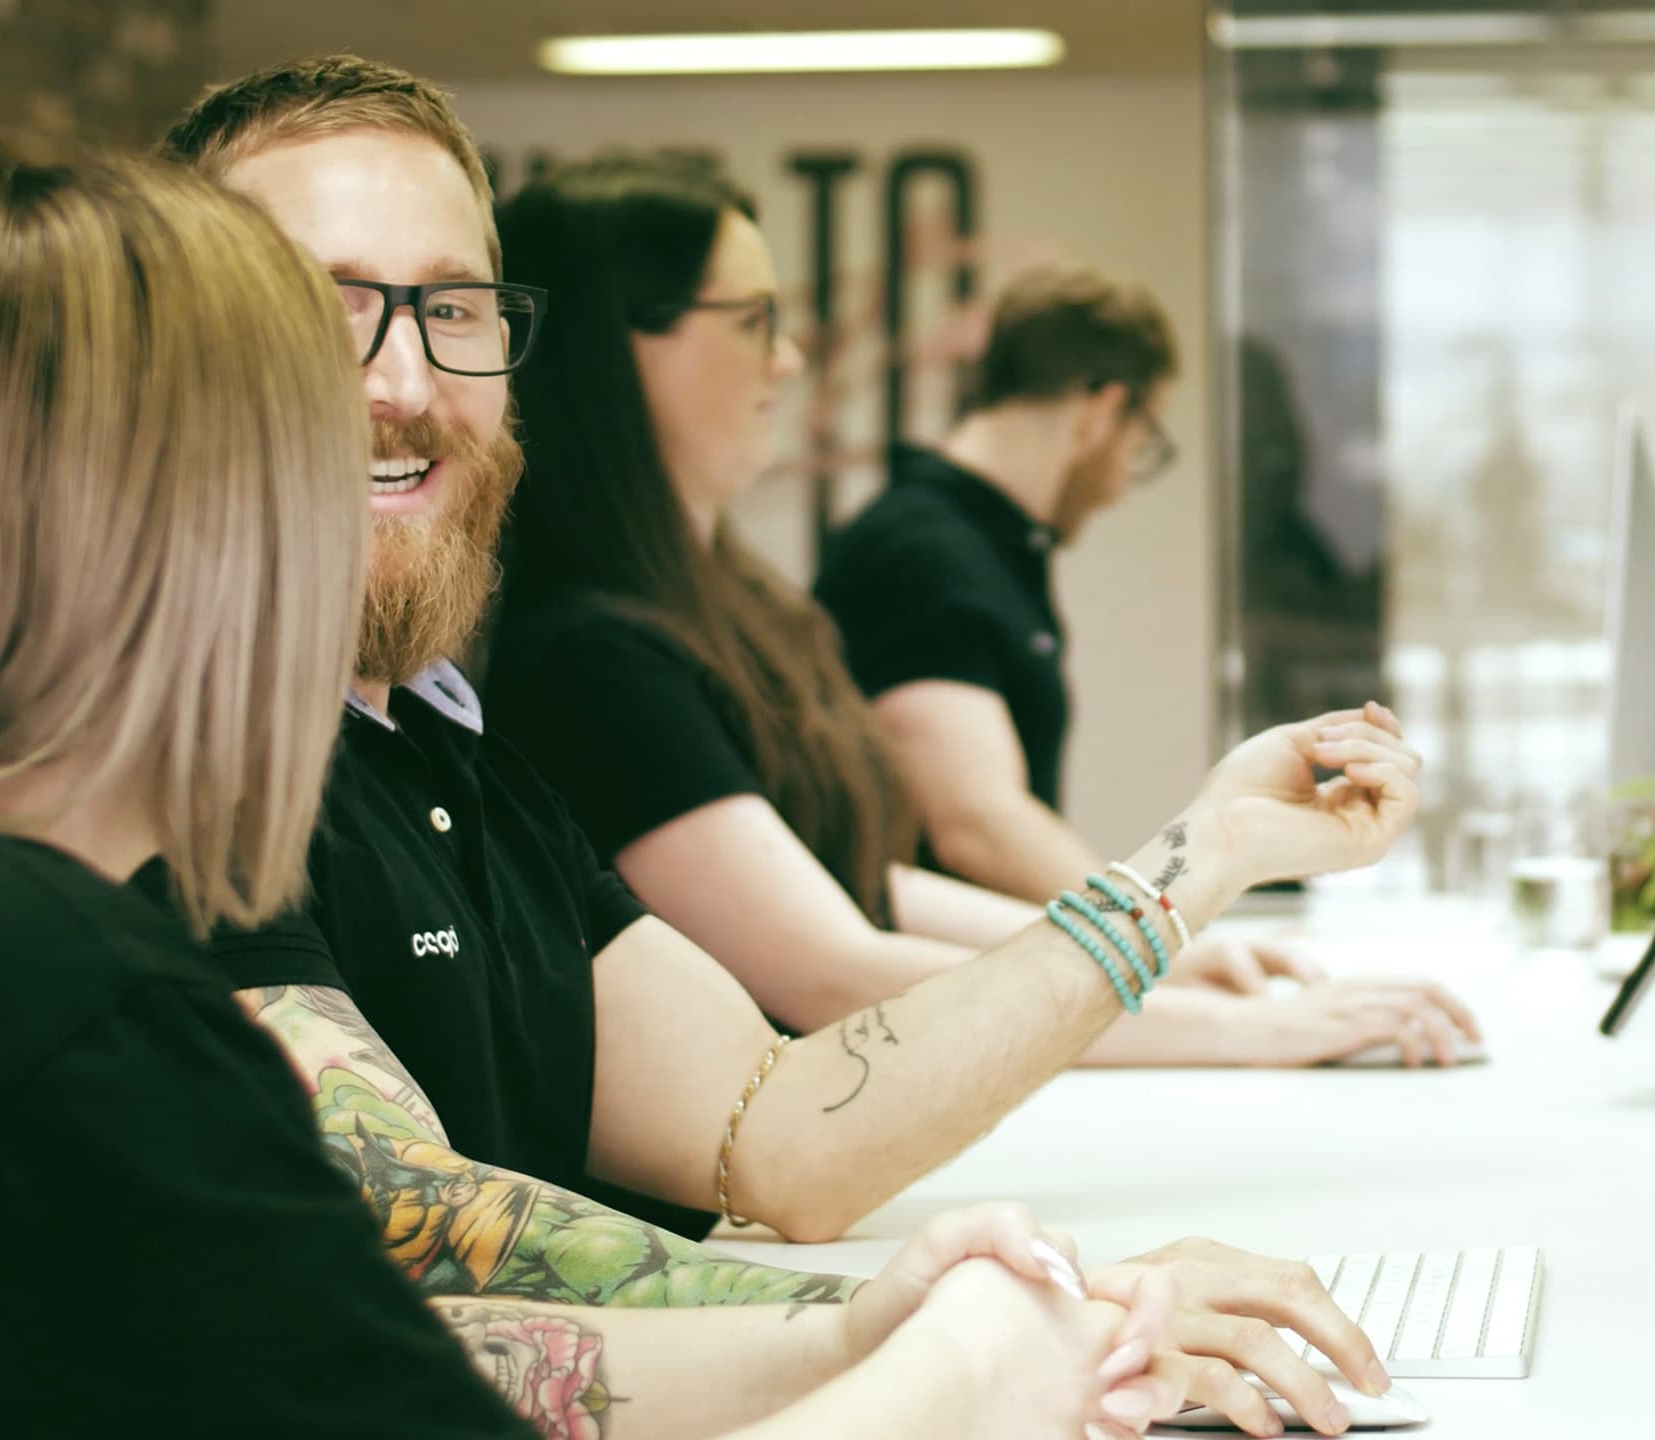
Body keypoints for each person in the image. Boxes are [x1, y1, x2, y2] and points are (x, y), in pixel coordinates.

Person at [0, 128, 1186, 1440]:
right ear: (196, 517)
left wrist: (884, 1320)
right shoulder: (51, 1009)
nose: (397, 424)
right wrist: (981, 1367)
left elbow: (341, 1350)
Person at [166, 58, 1413, 1437]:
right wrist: (972, 1322)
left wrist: (1212, 847)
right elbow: (405, 1226)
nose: (404, 377)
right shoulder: (156, 770)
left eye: (450, 307)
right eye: (322, 309)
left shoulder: (454, 761)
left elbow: (779, 1125)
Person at [482, 154, 1476, 1071]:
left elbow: (868, 886)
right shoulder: (591, 655)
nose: (788, 361)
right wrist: (1230, 1017)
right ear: (621, 347)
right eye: (754, 322)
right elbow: (828, 968)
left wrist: (1145, 950)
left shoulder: (741, 609)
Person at [814, 269, 1473, 1063]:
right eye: (1144, 437)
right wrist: (1156, 937)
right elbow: (976, 825)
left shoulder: (979, 543)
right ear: (1100, 408)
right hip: (923, 1030)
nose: (1129, 476)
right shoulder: (923, 552)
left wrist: (1166, 939)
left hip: (978, 1000)